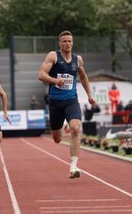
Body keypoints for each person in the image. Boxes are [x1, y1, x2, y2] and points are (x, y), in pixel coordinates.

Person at [39, 30, 97, 179]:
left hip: (71, 100)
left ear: (72, 43)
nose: (67, 43)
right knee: (57, 139)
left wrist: (90, 94)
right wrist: (54, 81)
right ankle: (63, 124)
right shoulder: (53, 56)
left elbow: (83, 77)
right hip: (55, 102)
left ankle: (73, 167)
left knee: (76, 129)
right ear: (59, 43)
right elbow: (41, 75)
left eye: (69, 41)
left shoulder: (78, 60)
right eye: (64, 41)